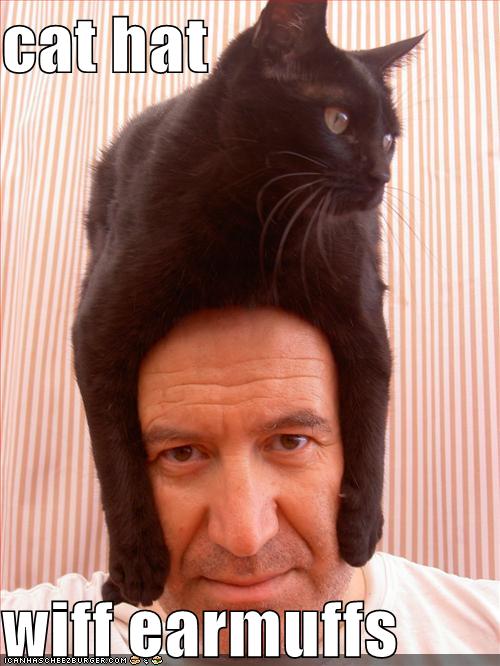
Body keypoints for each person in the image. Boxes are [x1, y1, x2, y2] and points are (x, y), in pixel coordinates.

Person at [1, 307, 499, 656]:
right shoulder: (39, 640)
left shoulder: (482, 633)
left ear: (357, 454)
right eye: (181, 453)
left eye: (291, 441)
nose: (245, 536)